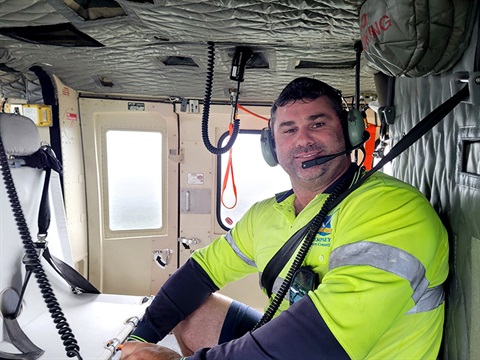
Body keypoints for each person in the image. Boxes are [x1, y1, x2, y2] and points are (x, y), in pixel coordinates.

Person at [120, 77, 449, 359]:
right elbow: (200, 273)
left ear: (351, 132)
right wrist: (140, 336)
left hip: (330, 350)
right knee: (193, 311)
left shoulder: (391, 208)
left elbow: (319, 341)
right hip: (294, 344)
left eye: (318, 124)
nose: (303, 140)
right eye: (288, 129)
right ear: (271, 147)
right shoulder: (267, 214)